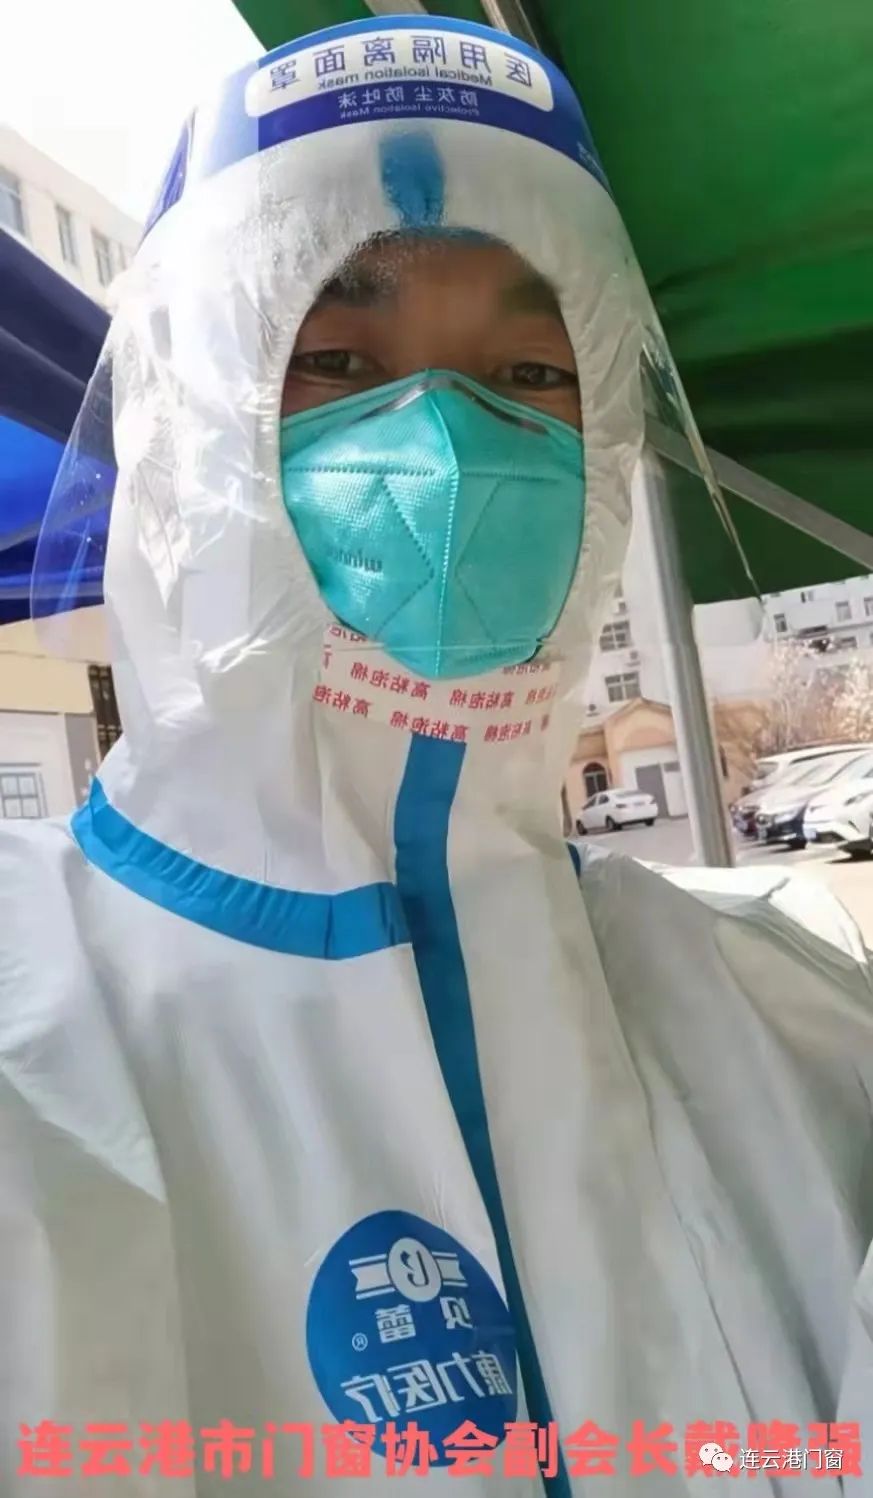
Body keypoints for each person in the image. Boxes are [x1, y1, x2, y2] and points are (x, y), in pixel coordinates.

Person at [3, 16, 873, 1495]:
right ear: (186, 433)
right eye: (335, 359)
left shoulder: (786, 1022)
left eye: (531, 372)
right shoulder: (40, 1042)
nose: (451, 449)